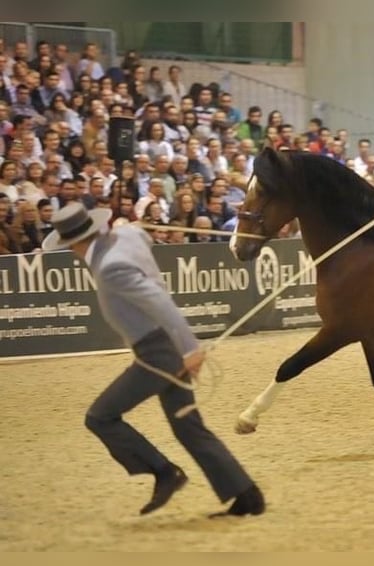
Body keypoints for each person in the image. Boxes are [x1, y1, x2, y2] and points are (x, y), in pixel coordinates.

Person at [42, 203, 265, 517]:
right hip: (163, 347)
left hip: (157, 353)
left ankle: (164, 471)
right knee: (188, 428)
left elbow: (159, 302)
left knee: (100, 417)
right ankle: (247, 496)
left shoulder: (110, 266)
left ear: (76, 242)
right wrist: (125, 224)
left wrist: (190, 348)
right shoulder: (128, 236)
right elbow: (139, 235)